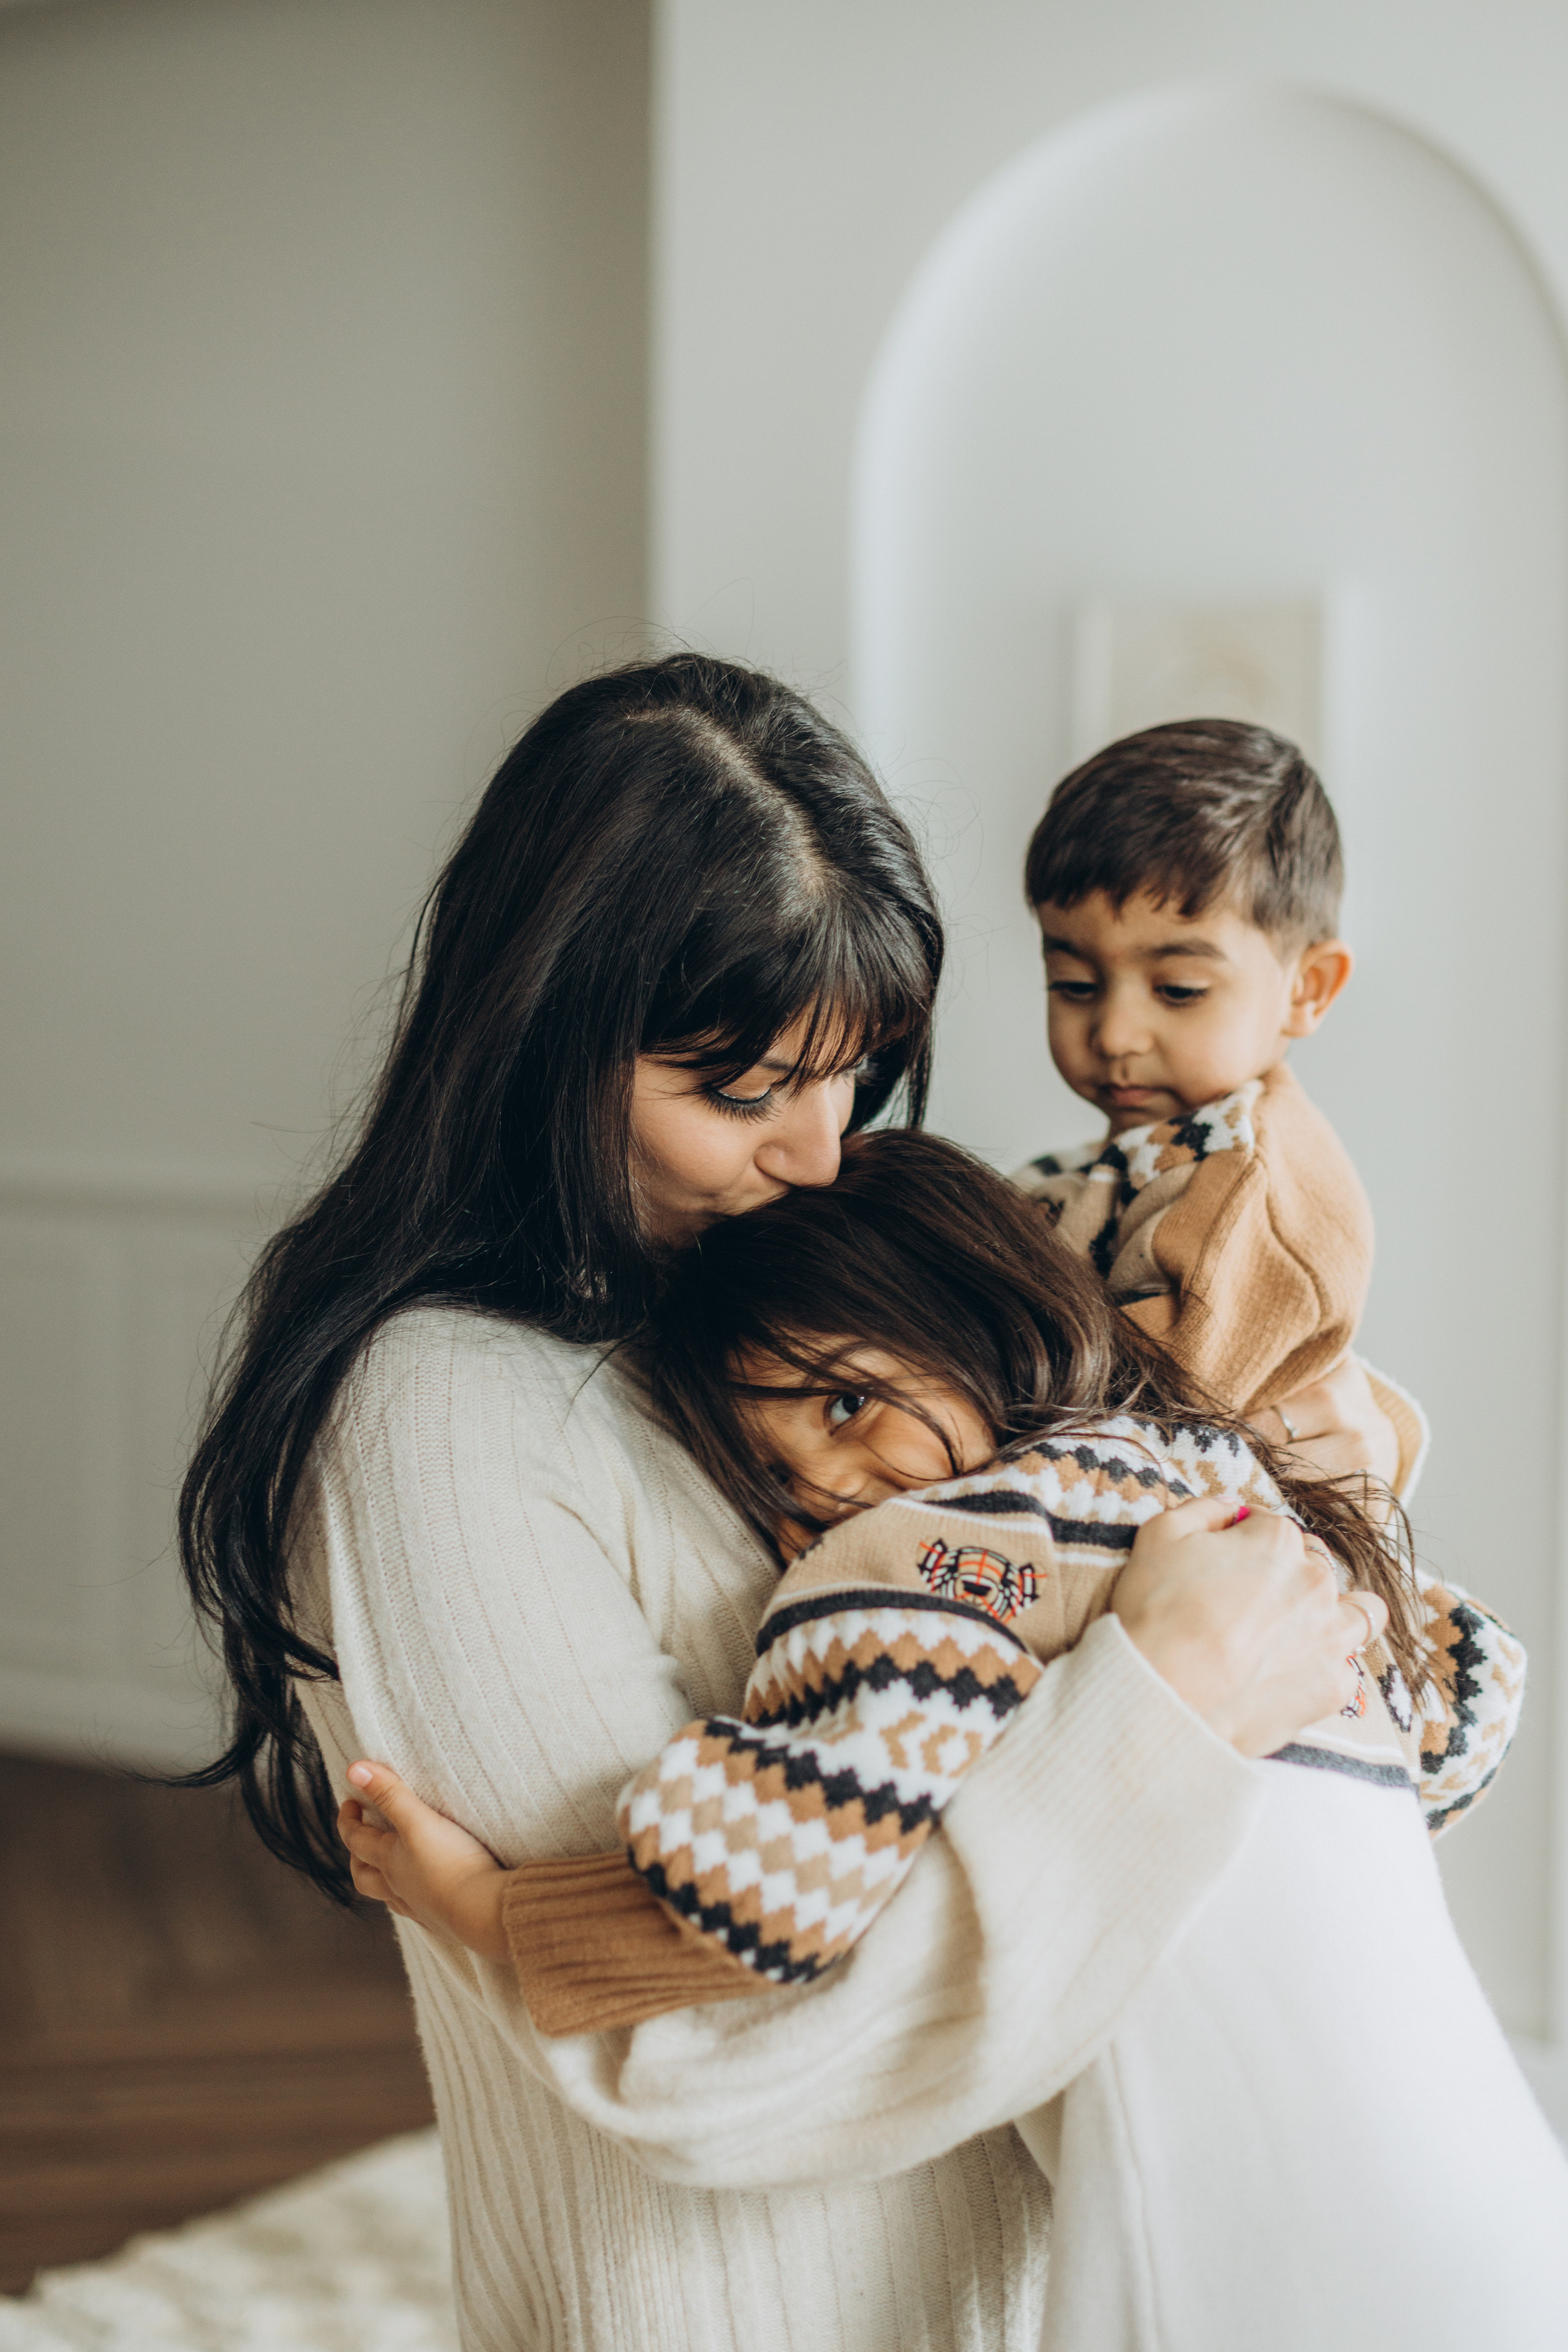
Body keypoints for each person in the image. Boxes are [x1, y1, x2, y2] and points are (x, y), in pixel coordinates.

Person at [181, 655, 1402, 2352]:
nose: (820, 1153)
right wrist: (1167, 1705)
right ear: (547, 1045)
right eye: (744, 1092)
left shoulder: (769, 1299)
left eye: (858, 1074)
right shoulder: (441, 1412)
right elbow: (692, 2051)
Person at [339, 1134, 1562, 2351]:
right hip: (1492, 2183)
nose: (827, 1488)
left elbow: (781, 1881)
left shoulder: (939, 1564)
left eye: (845, 1402)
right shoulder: (1222, 1496)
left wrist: (487, 1910)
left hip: (1244, 2257)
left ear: (974, 1310)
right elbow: (1469, 1702)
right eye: (771, 1478)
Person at [1015, 718, 1426, 1481]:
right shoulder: (1126, 1161)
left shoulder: (1248, 1178)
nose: (1114, 1033)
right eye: (1074, 984)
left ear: (1307, 989)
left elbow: (1141, 1408)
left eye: (1178, 990)